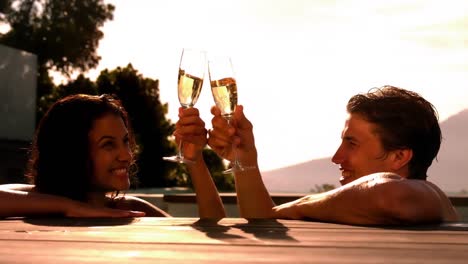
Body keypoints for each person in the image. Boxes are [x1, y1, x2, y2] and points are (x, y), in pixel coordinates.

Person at [208, 85, 459, 225]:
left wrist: (300, 205)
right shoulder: (353, 209)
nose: (337, 157)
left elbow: (391, 196)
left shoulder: (429, 196)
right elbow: (264, 219)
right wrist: (244, 157)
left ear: (399, 157)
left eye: (352, 143)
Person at [1, 94, 225, 219]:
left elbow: (212, 234)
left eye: (126, 141)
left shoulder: (131, 209)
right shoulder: (36, 203)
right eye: (108, 144)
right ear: (72, 153)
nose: (127, 155)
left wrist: (195, 161)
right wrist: (69, 207)